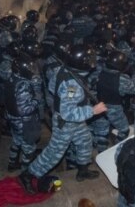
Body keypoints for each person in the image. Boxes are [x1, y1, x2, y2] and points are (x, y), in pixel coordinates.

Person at [18, 44, 107, 195]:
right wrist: (92, 110)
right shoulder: (71, 84)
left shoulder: (64, 69)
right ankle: (28, 175)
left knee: (85, 140)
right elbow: (67, 113)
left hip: (75, 120)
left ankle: (83, 169)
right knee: (54, 153)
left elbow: (52, 87)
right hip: (65, 122)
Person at [5, 53, 41, 171]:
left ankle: (12, 163)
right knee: (28, 146)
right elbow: (24, 109)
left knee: (17, 141)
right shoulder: (23, 85)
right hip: (23, 121)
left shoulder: (11, 77)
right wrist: (37, 99)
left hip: (12, 117)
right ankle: (27, 172)